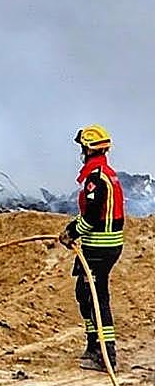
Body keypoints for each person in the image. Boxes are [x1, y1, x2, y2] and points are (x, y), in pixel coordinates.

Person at [59, 125, 124, 372]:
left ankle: (105, 354)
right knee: (85, 294)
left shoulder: (96, 178)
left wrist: (72, 232)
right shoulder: (106, 173)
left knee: (96, 298)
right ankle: (93, 346)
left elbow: (93, 217)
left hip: (100, 248)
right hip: (104, 246)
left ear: (87, 148)